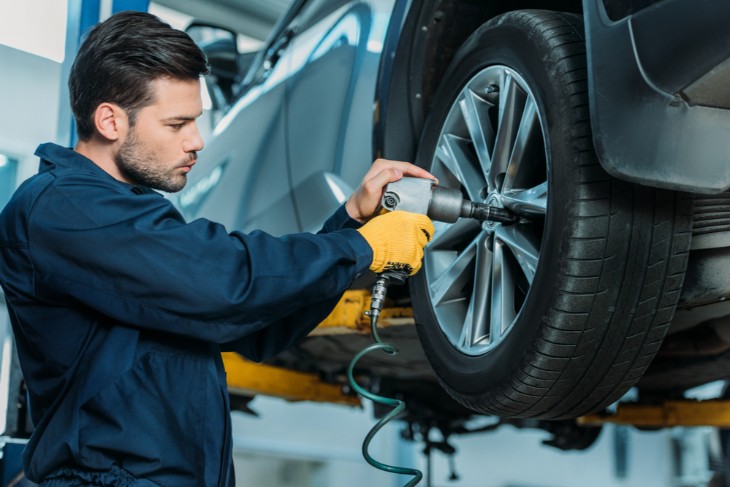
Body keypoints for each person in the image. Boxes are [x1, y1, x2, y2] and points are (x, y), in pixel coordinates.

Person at [0, 10, 435, 487]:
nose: (197, 141)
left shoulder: (127, 218)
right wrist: (356, 248)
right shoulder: (63, 207)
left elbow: (258, 325)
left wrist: (349, 220)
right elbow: (224, 282)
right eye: (176, 124)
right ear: (110, 120)